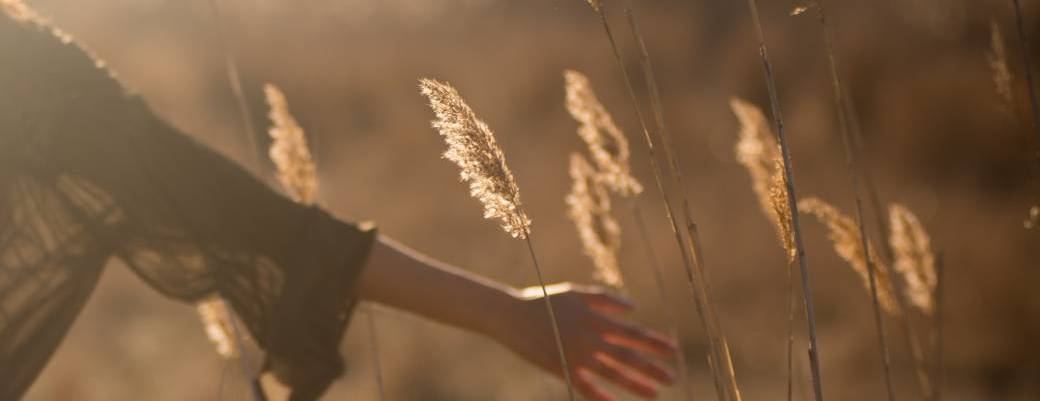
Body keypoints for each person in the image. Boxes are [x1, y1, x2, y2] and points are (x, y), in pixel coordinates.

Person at [0, 2, 676, 400]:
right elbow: (270, 226)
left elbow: (260, 222)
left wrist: (504, 312)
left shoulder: (32, 72)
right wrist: (501, 313)